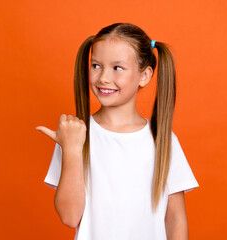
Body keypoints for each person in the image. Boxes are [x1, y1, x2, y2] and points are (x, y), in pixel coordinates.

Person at [35, 22, 199, 240]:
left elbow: (175, 219)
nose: (103, 77)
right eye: (96, 66)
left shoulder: (162, 140)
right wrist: (72, 149)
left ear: (144, 76)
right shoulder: (76, 135)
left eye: (117, 68)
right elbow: (70, 217)